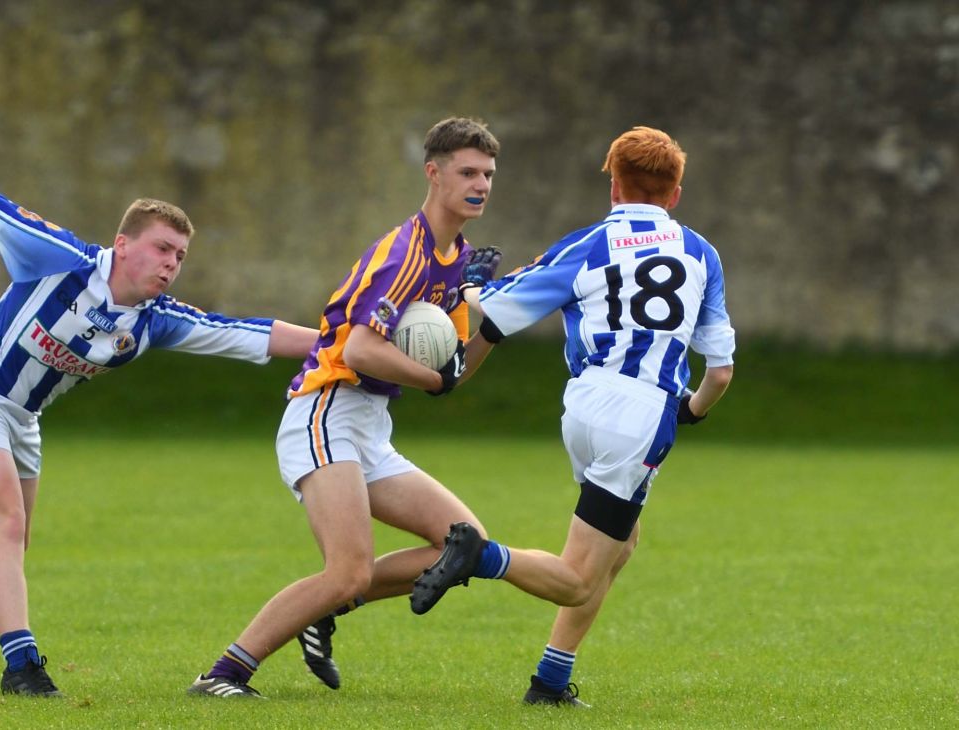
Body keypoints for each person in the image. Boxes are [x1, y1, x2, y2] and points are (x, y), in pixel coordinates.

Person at [0, 107, 319, 697]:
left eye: (180, 256)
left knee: (9, 535)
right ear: (122, 244)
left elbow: (247, 332)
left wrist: (343, 343)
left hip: (21, 416)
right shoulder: (61, 259)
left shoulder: (155, 321)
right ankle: (21, 667)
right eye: (161, 249)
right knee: (3, 522)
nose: (171, 264)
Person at [409, 125, 736, 707]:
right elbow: (720, 372)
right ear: (677, 193)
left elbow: (496, 309)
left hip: (582, 405)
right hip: (639, 415)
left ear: (614, 187)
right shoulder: (701, 253)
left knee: (622, 541)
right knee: (578, 576)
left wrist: (472, 288)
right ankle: (478, 555)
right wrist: (691, 412)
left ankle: (552, 681)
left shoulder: (586, 244)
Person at [187, 117, 508, 699]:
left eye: (487, 173)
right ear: (433, 175)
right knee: (348, 570)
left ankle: (326, 607)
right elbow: (362, 349)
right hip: (325, 410)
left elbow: (452, 371)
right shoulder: (406, 252)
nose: (480, 183)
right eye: (467, 172)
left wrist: (490, 320)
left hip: (368, 425)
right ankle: (223, 675)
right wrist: (433, 381)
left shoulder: (457, 260)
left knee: (467, 542)